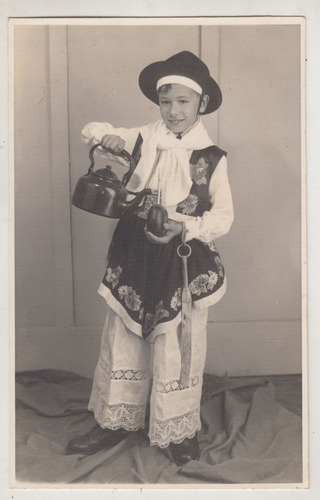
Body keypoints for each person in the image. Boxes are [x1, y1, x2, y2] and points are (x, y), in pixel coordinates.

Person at [66, 51, 234, 465]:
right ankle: (114, 420)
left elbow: (223, 216)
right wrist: (107, 136)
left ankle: (175, 427)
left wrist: (186, 227)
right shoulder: (144, 135)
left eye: (183, 102)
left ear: (202, 104)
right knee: (125, 331)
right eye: (166, 101)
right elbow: (94, 131)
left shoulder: (210, 156)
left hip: (180, 256)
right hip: (135, 251)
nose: (173, 111)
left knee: (177, 340)